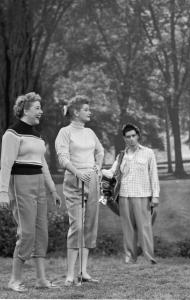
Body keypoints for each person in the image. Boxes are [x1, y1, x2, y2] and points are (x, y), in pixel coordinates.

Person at [0, 92, 61, 292]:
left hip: (39, 185)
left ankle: (41, 279)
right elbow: (6, 164)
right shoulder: (12, 133)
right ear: (25, 110)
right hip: (20, 184)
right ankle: (14, 280)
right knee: (26, 233)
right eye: (37, 108)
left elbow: (42, 163)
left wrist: (52, 189)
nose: (41, 111)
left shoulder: (36, 135)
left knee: (41, 232)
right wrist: (2, 192)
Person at [55, 95, 104, 286]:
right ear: (76, 112)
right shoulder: (65, 132)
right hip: (74, 181)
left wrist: (97, 168)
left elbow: (100, 151)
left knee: (90, 225)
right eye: (86, 109)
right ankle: (69, 275)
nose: (89, 112)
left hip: (92, 181)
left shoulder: (90, 132)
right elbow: (62, 158)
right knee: (77, 227)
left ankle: (83, 272)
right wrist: (77, 172)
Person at [102, 124, 160, 264]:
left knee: (144, 227)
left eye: (134, 136)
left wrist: (155, 195)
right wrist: (98, 169)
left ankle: (149, 258)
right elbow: (111, 173)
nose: (131, 139)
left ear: (138, 136)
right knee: (128, 228)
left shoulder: (148, 153)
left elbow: (153, 175)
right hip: (124, 196)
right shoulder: (121, 156)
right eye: (128, 137)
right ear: (124, 138)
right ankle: (130, 257)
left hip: (142, 195)